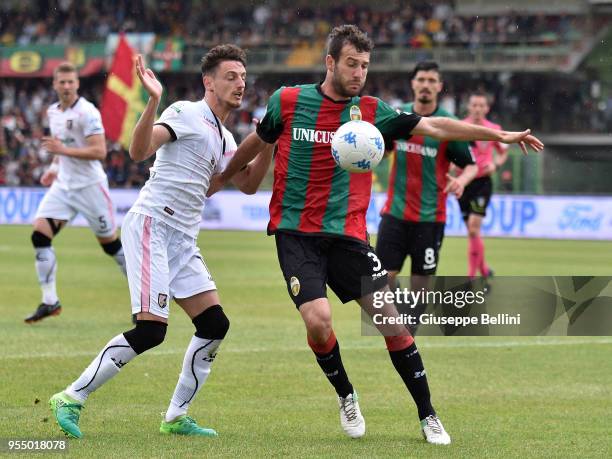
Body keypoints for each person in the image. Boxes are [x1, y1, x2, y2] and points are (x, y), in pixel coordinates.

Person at [209, 25, 543, 445]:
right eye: (351, 63)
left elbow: (437, 128)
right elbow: (257, 141)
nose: (359, 73)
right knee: (318, 320)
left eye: (365, 66)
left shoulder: (373, 111)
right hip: (295, 234)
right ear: (330, 62)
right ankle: (346, 394)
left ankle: (428, 415)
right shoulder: (289, 100)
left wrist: (499, 135)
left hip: (349, 236)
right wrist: (222, 178)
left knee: (392, 322)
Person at [48, 45, 273, 439]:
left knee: (214, 324)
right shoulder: (184, 112)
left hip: (183, 239)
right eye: (231, 76)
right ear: (209, 82)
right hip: (153, 225)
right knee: (151, 330)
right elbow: (138, 151)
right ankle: (71, 397)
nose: (240, 83)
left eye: (242, 76)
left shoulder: (223, 136)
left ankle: (175, 417)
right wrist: (153, 101)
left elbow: (250, 185)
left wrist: (269, 139)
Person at [25, 62, 127, 324]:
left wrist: (61, 152)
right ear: (55, 84)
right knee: (39, 235)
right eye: (63, 82)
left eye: (71, 82)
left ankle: (145, 301)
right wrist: (53, 167)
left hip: (90, 187)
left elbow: (99, 151)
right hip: (64, 186)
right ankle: (50, 301)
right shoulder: (52, 112)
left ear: (77, 84)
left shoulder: (88, 113)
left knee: (112, 247)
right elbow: (63, 148)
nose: (67, 86)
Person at [376, 61, 478, 319]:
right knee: (381, 283)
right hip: (395, 214)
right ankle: (398, 330)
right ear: (413, 83)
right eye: (421, 79)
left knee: (421, 291)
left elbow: (471, 166)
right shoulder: (398, 118)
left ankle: (408, 334)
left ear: (439, 87)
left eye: (432, 81)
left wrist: (461, 182)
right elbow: (382, 151)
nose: (426, 85)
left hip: (430, 220)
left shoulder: (448, 125)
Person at [458, 91, 508, 281]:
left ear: (487, 108)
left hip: (482, 184)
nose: (478, 109)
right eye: (474, 105)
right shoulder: (460, 127)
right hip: (464, 182)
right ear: (469, 107)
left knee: (473, 229)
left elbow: (503, 152)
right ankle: (484, 269)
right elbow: (452, 151)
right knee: (472, 233)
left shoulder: (493, 129)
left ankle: (471, 276)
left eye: (481, 105)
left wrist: (495, 164)